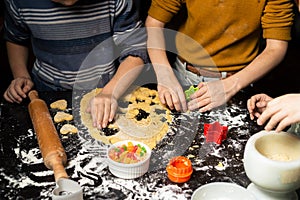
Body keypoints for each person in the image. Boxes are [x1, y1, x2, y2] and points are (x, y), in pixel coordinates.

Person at [3, 0, 148, 129]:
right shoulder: (18, 3)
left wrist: (110, 92)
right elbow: (16, 39)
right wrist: (20, 75)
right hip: (47, 90)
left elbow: (135, 50)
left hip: (105, 87)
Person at [145, 0, 294, 113]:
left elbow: (276, 47)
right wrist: (164, 74)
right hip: (182, 73)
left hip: (238, 81)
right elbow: (154, 24)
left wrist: (231, 85)